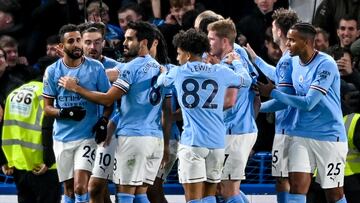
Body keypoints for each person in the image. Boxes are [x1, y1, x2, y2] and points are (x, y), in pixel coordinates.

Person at [58, 21, 169, 203]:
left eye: (129, 39)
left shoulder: (131, 67)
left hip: (133, 136)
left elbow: (108, 98)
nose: (124, 43)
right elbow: (107, 74)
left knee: (124, 195)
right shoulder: (159, 68)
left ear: (143, 42)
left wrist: (77, 88)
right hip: (153, 138)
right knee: (140, 195)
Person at [155, 28, 251, 203]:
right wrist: (236, 62)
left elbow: (161, 81)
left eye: (179, 53)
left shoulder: (178, 72)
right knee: (209, 197)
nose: (177, 58)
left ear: (188, 55)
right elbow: (246, 80)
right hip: (217, 144)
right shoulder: (220, 71)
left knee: (193, 199)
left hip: (193, 143)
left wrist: (162, 73)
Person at [257, 22, 348, 203]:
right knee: (297, 187)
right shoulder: (293, 62)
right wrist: (258, 108)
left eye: (292, 40)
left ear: (306, 42)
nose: (287, 44)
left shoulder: (325, 64)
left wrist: (272, 92)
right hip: (300, 134)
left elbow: (308, 103)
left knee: (333, 194)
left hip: (329, 136)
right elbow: (287, 100)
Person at [42, 24, 113, 203]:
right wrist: (65, 113)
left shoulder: (96, 68)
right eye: (71, 41)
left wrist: (104, 120)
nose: (77, 44)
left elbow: (108, 101)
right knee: (68, 191)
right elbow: (47, 108)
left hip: (87, 137)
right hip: (62, 138)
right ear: (61, 46)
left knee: (80, 187)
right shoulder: (52, 71)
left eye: (78, 40)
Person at [245, 8, 299, 203]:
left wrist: (259, 108)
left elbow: (282, 98)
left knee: (286, 179)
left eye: (273, 27)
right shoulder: (291, 57)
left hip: (288, 128)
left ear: (279, 31)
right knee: (288, 179)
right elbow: (278, 76)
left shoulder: (287, 59)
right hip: (293, 127)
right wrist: (255, 59)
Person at [206, 18, 256, 203]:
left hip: (235, 132)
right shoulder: (240, 54)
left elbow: (235, 94)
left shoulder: (230, 65)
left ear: (225, 41)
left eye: (211, 39)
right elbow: (255, 93)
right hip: (238, 129)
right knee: (222, 187)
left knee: (228, 190)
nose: (208, 42)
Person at [1, 56, 61, 203]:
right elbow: (47, 128)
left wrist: (5, 160)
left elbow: (4, 129)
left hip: (19, 166)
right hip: (43, 166)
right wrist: (48, 161)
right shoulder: (48, 95)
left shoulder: (14, 94)